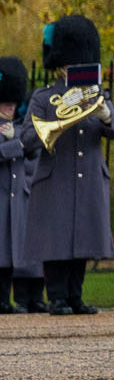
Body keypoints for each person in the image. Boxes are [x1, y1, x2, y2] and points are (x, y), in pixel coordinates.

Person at [26, 16, 114, 315]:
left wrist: (105, 114)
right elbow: (30, 138)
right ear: (60, 63)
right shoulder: (44, 97)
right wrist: (59, 121)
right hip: (56, 177)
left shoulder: (96, 93)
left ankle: (75, 296)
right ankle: (57, 297)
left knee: (83, 236)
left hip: (89, 177)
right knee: (56, 239)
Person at [0, 60, 29, 314]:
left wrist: (16, 139)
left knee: (8, 254)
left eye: (12, 103)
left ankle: (4, 300)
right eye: (5, 103)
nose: (10, 106)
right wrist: (14, 144)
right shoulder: (13, 134)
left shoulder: (18, 128)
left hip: (14, 197)